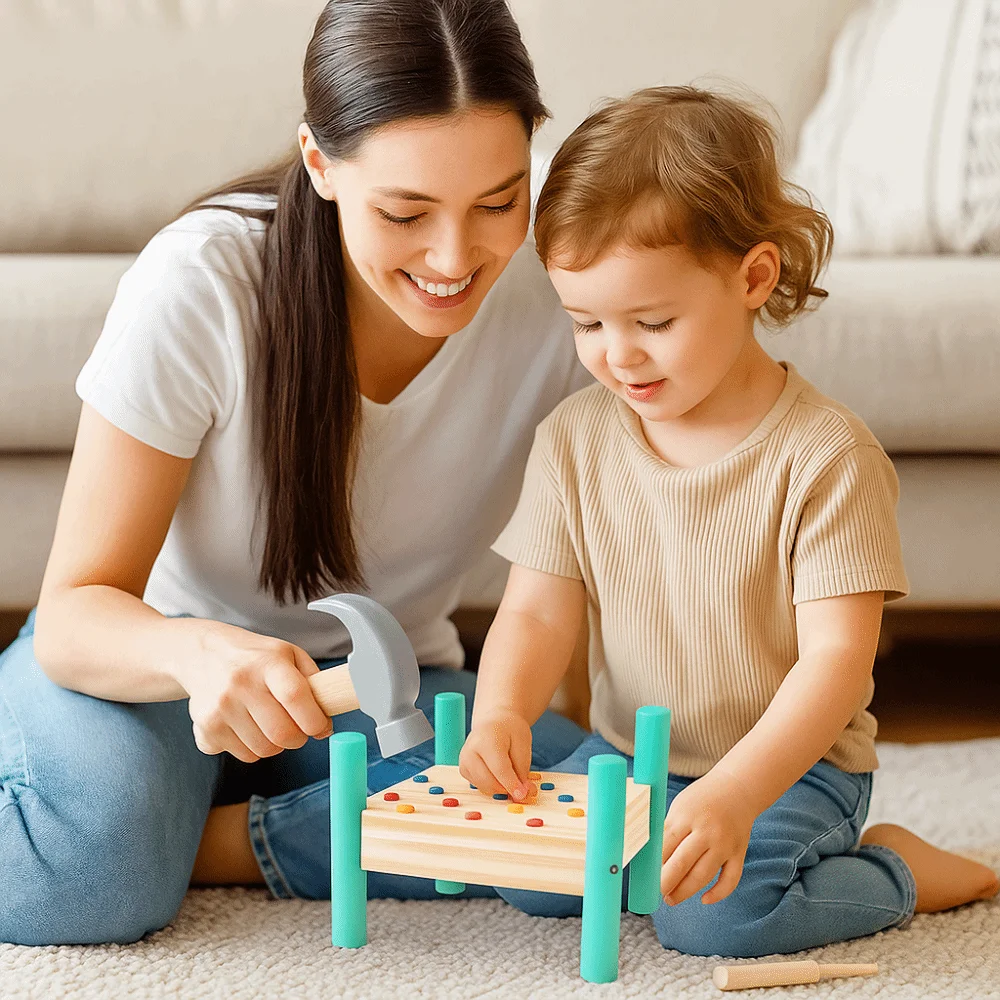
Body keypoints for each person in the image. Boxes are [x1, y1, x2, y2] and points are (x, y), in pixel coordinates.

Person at [0, 0, 591, 946]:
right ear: (318, 164)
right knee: (88, 883)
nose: (455, 258)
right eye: (405, 212)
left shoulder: (566, 299)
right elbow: (76, 612)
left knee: (592, 828)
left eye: (497, 203)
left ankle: (214, 839)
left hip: (385, 692)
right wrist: (196, 655)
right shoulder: (202, 283)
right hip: (149, 673)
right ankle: (139, 820)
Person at [459, 85, 1000, 958]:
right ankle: (662, 845)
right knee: (525, 875)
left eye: (654, 322)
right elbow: (533, 613)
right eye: (586, 322)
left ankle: (896, 869)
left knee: (712, 917)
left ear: (754, 278)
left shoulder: (827, 457)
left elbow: (836, 664)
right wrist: (501, 715)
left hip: (793, 771)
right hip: (639, 762)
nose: (617, 354)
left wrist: (739, 792)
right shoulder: (574, 438)